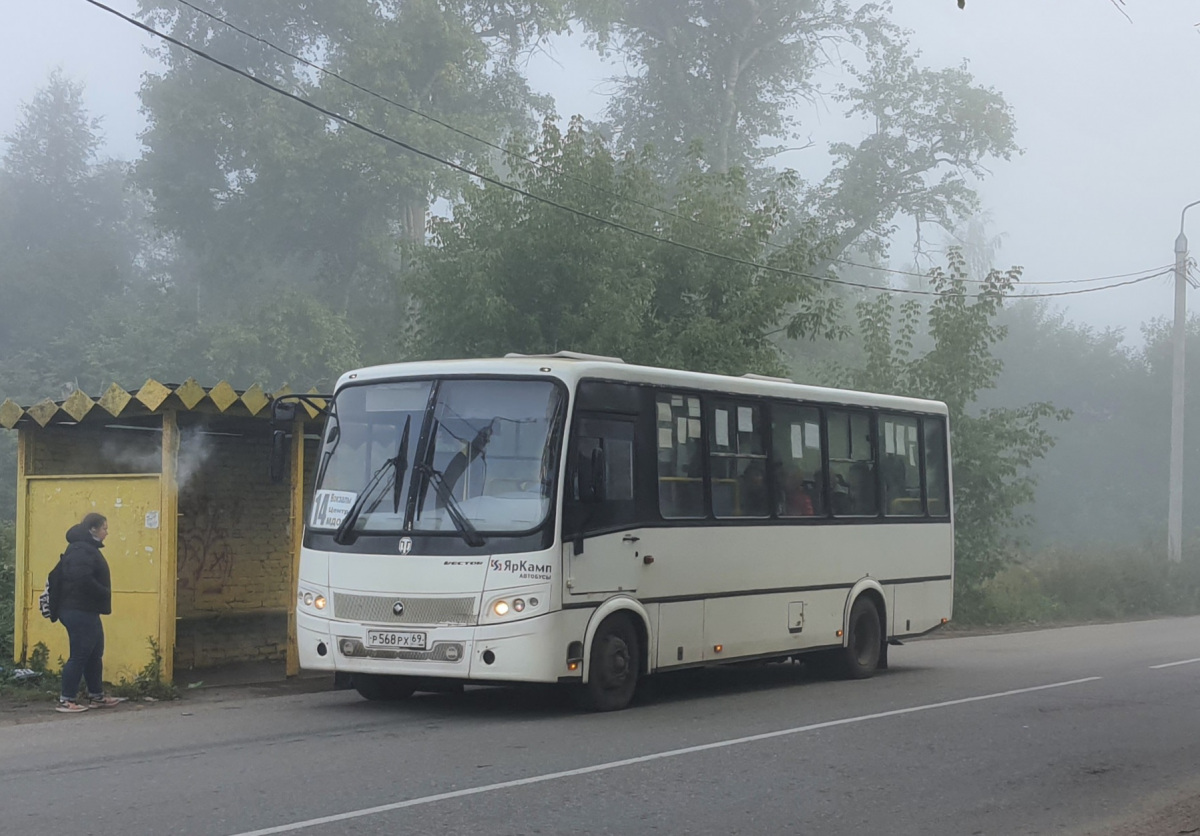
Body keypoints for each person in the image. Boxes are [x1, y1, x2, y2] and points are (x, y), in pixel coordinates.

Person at [56, 512, 126, 713]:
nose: (107, 532)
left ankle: (97, 696)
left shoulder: (87, 547)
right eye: (104, 528)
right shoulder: (81, 549)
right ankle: (66, 699)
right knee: (79, 654)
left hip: (87, 609)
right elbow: (81, 578)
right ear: (93, 529)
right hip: (77, 610)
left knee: (94, 653)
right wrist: (103, 591)